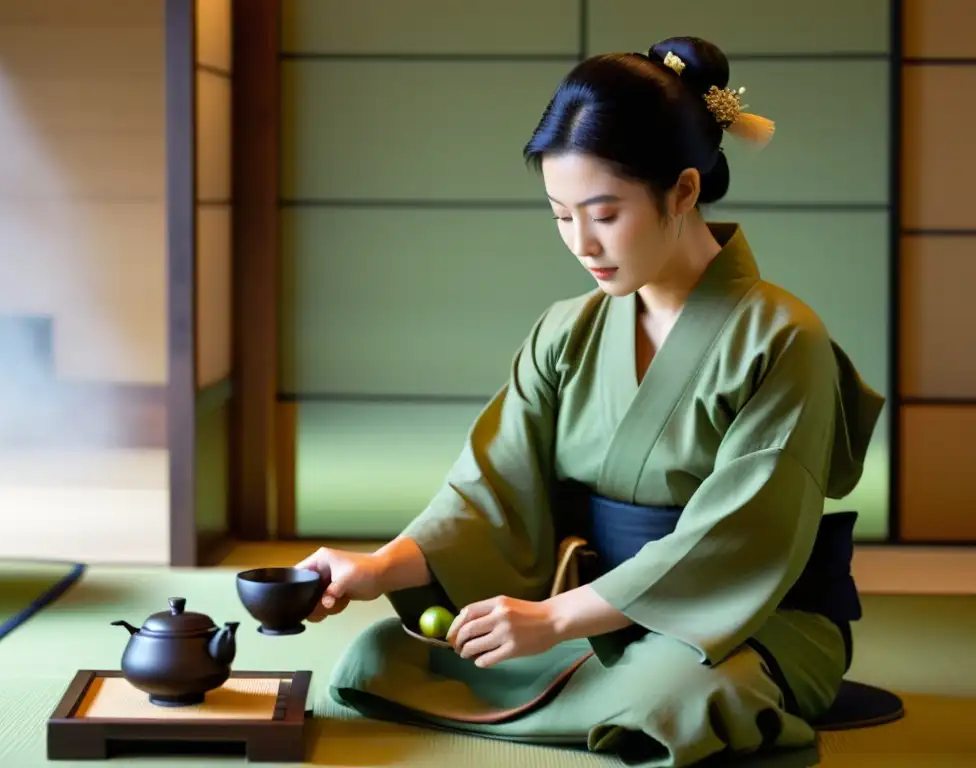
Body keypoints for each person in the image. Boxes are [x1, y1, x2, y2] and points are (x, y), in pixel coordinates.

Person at [296, 36, 884, 767]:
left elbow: (743, 539)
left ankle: (618, 685)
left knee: (679, 700)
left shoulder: (783, 339)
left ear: (684, 191)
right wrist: (380, 568)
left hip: (743, 615)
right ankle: (586, 680)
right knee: (383, 655)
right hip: (587, 606)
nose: (582, 243)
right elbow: (489, 491)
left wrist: (553, 620)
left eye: (604, 213)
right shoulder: (565, 329)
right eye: (560, 215)